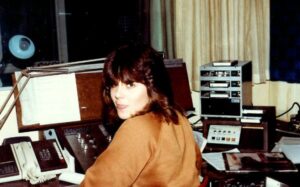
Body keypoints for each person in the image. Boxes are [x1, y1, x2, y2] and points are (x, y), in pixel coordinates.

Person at [80, 43, 202, 187]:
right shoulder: (178, 117)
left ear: (152, 86)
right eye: (113, 84)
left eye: (130, 85)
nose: (117, 94)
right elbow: (196, 163)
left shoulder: (137, 128)